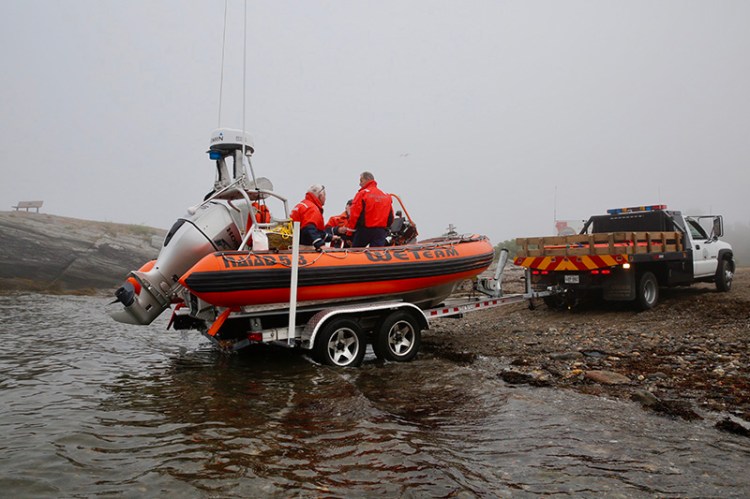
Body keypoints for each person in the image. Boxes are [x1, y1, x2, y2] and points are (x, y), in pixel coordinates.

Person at [345, 171, 393, 247]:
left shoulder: (362, 194)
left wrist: (349, 234)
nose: (359, 184)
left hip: (364, 231)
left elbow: (354, 216)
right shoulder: (386, 196)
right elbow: (390, 218)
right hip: (380, 232)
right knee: (377, 256)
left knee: (356, 253)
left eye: (361, 181)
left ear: (367, 180)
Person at [290, 184, 337, 250]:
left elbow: (314, 230)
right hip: (304, 246)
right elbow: (309, 228)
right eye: (324, 195)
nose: (325, 198)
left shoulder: (301, 205)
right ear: (320, 196)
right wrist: (320, 245)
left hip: (295, 243)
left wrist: (330, 237)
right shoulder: (311, 208)